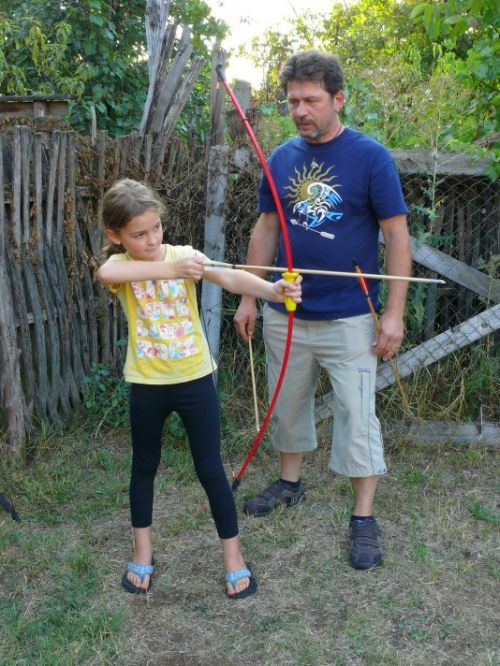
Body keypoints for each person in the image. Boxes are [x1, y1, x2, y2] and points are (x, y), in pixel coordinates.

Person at [234, 50, 411, 570]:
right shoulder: (282, 158)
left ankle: (363, 516)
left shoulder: (370, 157)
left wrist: (393, 313)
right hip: (287, 311)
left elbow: (397, 236)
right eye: (293, 102)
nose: (300, 111)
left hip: (351, 315)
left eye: (311, 100)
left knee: (357, 414)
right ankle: (289, 482)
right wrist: (250, 295)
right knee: (287, 403)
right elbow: (266, 228)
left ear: (338, 99)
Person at [96, 178, 302, 597]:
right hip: (148, 383)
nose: (152, 240)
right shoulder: (124, 266)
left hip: (194, 380)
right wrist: (173, 269)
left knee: (210, 469)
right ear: (115, 236)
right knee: (144, 466)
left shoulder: (185, 255)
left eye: (156, 228)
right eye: (139, 234)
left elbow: (232, 279)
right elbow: (107, 271)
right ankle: (142, 552)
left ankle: (234, 558)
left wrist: (272, 290)